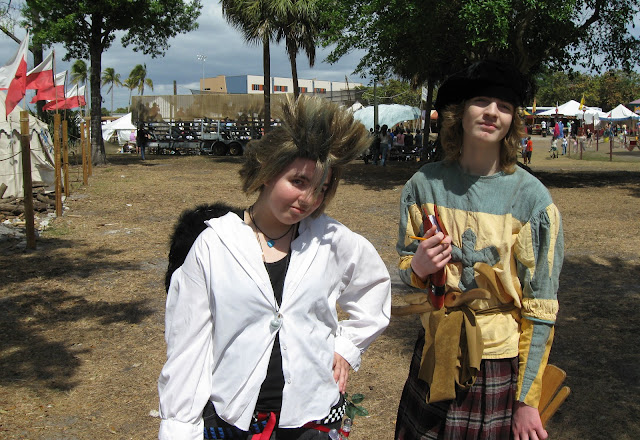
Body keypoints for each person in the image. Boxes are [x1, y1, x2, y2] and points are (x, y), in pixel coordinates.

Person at [158, 95, 392, 440]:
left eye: (321, 188)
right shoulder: (214, 245)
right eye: (298, 181)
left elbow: (374, 289)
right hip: (235, 420)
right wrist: (179, 429)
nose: (308, 199)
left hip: (312, 418)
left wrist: (347, 347)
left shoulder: (331, 240)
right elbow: (187, 350)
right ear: (267, 171)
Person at [394, 60, 564, 440]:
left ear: (512, 121)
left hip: (497, 364)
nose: (492, 112)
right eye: (481, 102)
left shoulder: (532, 199)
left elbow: (540, 308)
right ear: (460, 112)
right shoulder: (423, 185)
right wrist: (418, 267)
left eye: (503, 106)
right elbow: (407, 269)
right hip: (436, 350)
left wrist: (527, 400)